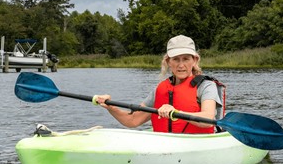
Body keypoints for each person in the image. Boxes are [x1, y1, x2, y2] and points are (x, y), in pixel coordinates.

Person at [94, 35, 222, 133]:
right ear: (168, 61)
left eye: (186, 59)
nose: (181, 65)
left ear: (194, 60)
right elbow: (133, 120)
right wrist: (110, 107)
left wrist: (176, 111)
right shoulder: (160, 89)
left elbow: (208, 119)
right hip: (165, 144)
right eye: (176, 59)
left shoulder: (206, 86)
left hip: (197, 144)